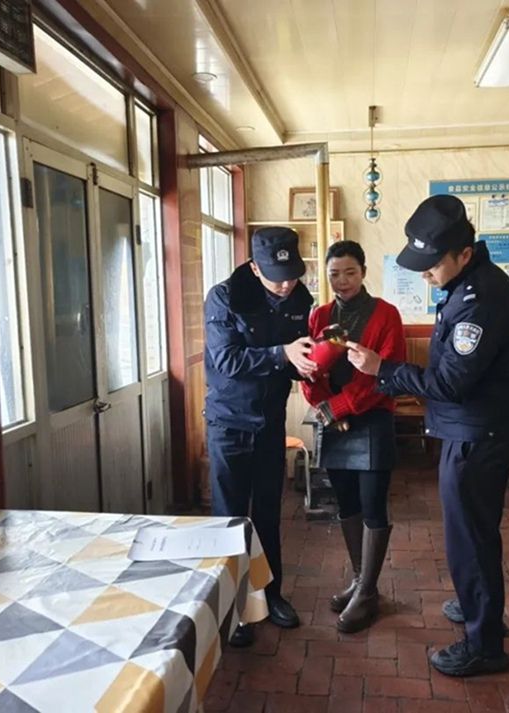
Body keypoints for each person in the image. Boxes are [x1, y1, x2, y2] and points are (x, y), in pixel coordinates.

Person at [347, 194, 509, 677]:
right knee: (473, 533)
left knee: (469, 539)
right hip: (471, 430)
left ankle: (484, 645)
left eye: (432, 266)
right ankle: (478, 608)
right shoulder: (468, 285)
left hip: (477, 436)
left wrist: (383, 369)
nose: (425, 275)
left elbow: (449, 383)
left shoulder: (480, 300)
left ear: (464, 254)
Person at [204, 226, 317, 646]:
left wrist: (311, 363)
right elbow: (227, 360)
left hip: (270, 422)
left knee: (269, 512)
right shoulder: (225, 297)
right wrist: (282, 354)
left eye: (292, 275)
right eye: (276, 277)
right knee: (231, 517)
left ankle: (272, 595)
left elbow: (293, 359)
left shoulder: (300, 298)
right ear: (254, 267)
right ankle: (233, 609)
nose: (286, 285)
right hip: (229, 424)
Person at [300, 241, 406, 633]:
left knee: (373, 504)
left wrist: (340, 407)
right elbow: (308, 370)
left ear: (363, 272)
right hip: (333, 421)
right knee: (345, 503)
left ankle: (368, 590)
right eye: (334, 274)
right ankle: (361, 582)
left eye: (350, 272)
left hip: (372, 418)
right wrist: (321, 403)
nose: (342, 281)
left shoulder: (386, 314)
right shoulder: (320, 315)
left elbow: (386, 374)